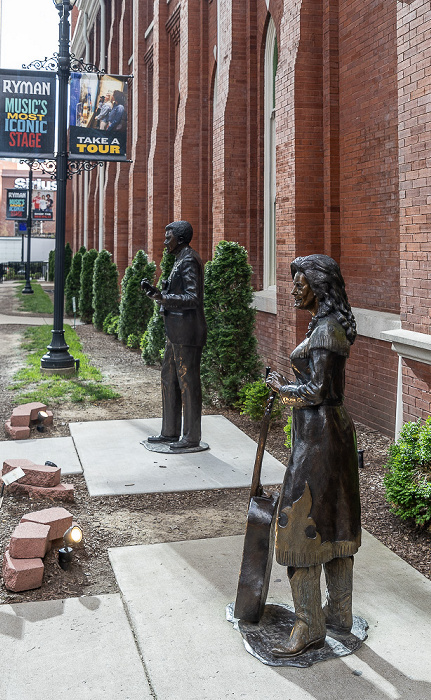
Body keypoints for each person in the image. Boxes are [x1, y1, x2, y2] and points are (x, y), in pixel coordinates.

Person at [266, 254, 361, 658]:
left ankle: (309, 625)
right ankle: (338, 614)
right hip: (331, 434)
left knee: (298, 525)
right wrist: (295, 384)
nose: (294, 289)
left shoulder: (325, 330)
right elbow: (321, 385)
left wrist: (280, 388)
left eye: (300, 282)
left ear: (319, 287)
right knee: (335, 522)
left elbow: (318, 392)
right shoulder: (328, 326)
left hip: (320, 439)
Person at [142, 221, 207, 449]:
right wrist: (158, 293)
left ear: (179, 239)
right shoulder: (180, 258)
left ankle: (191, 437)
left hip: (187, 332)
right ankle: (169, 432)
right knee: (169, 379)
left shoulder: (189, 259)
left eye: (167, 237)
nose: (164, 241)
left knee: (188, 383)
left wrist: (163, 298)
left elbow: (193, 298)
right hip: (175, 331)